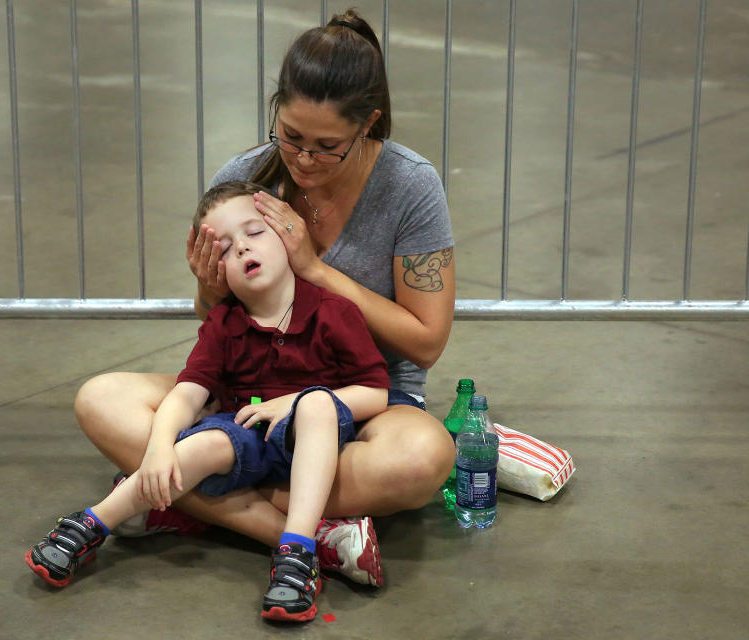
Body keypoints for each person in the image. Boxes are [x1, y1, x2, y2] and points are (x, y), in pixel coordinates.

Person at [72, 9, 456, 587]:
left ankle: (194, 497)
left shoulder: (409, 184)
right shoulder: (246, 178)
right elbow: (219, 323)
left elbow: (425, 344)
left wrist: (313, 270)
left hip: (360, 404)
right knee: (100, 400)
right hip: (244, 402)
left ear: (368, 124)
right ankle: (304, 538)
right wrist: (209, 286)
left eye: (327, 147)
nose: (303, 160)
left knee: (423, 459)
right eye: (290, 136)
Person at [27, 181, 390, 622]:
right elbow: (188, 391)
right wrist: (161, 447)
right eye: (224, 248)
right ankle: (93, 523)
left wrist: (294, 403)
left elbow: (374, 392)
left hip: (314, 436)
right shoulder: (223, 322)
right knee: (206, 441)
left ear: (289, 236)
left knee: (315, 405)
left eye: (255, 233)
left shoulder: (334, 312)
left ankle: (296, 553)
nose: (240, 249)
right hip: (249, 431)